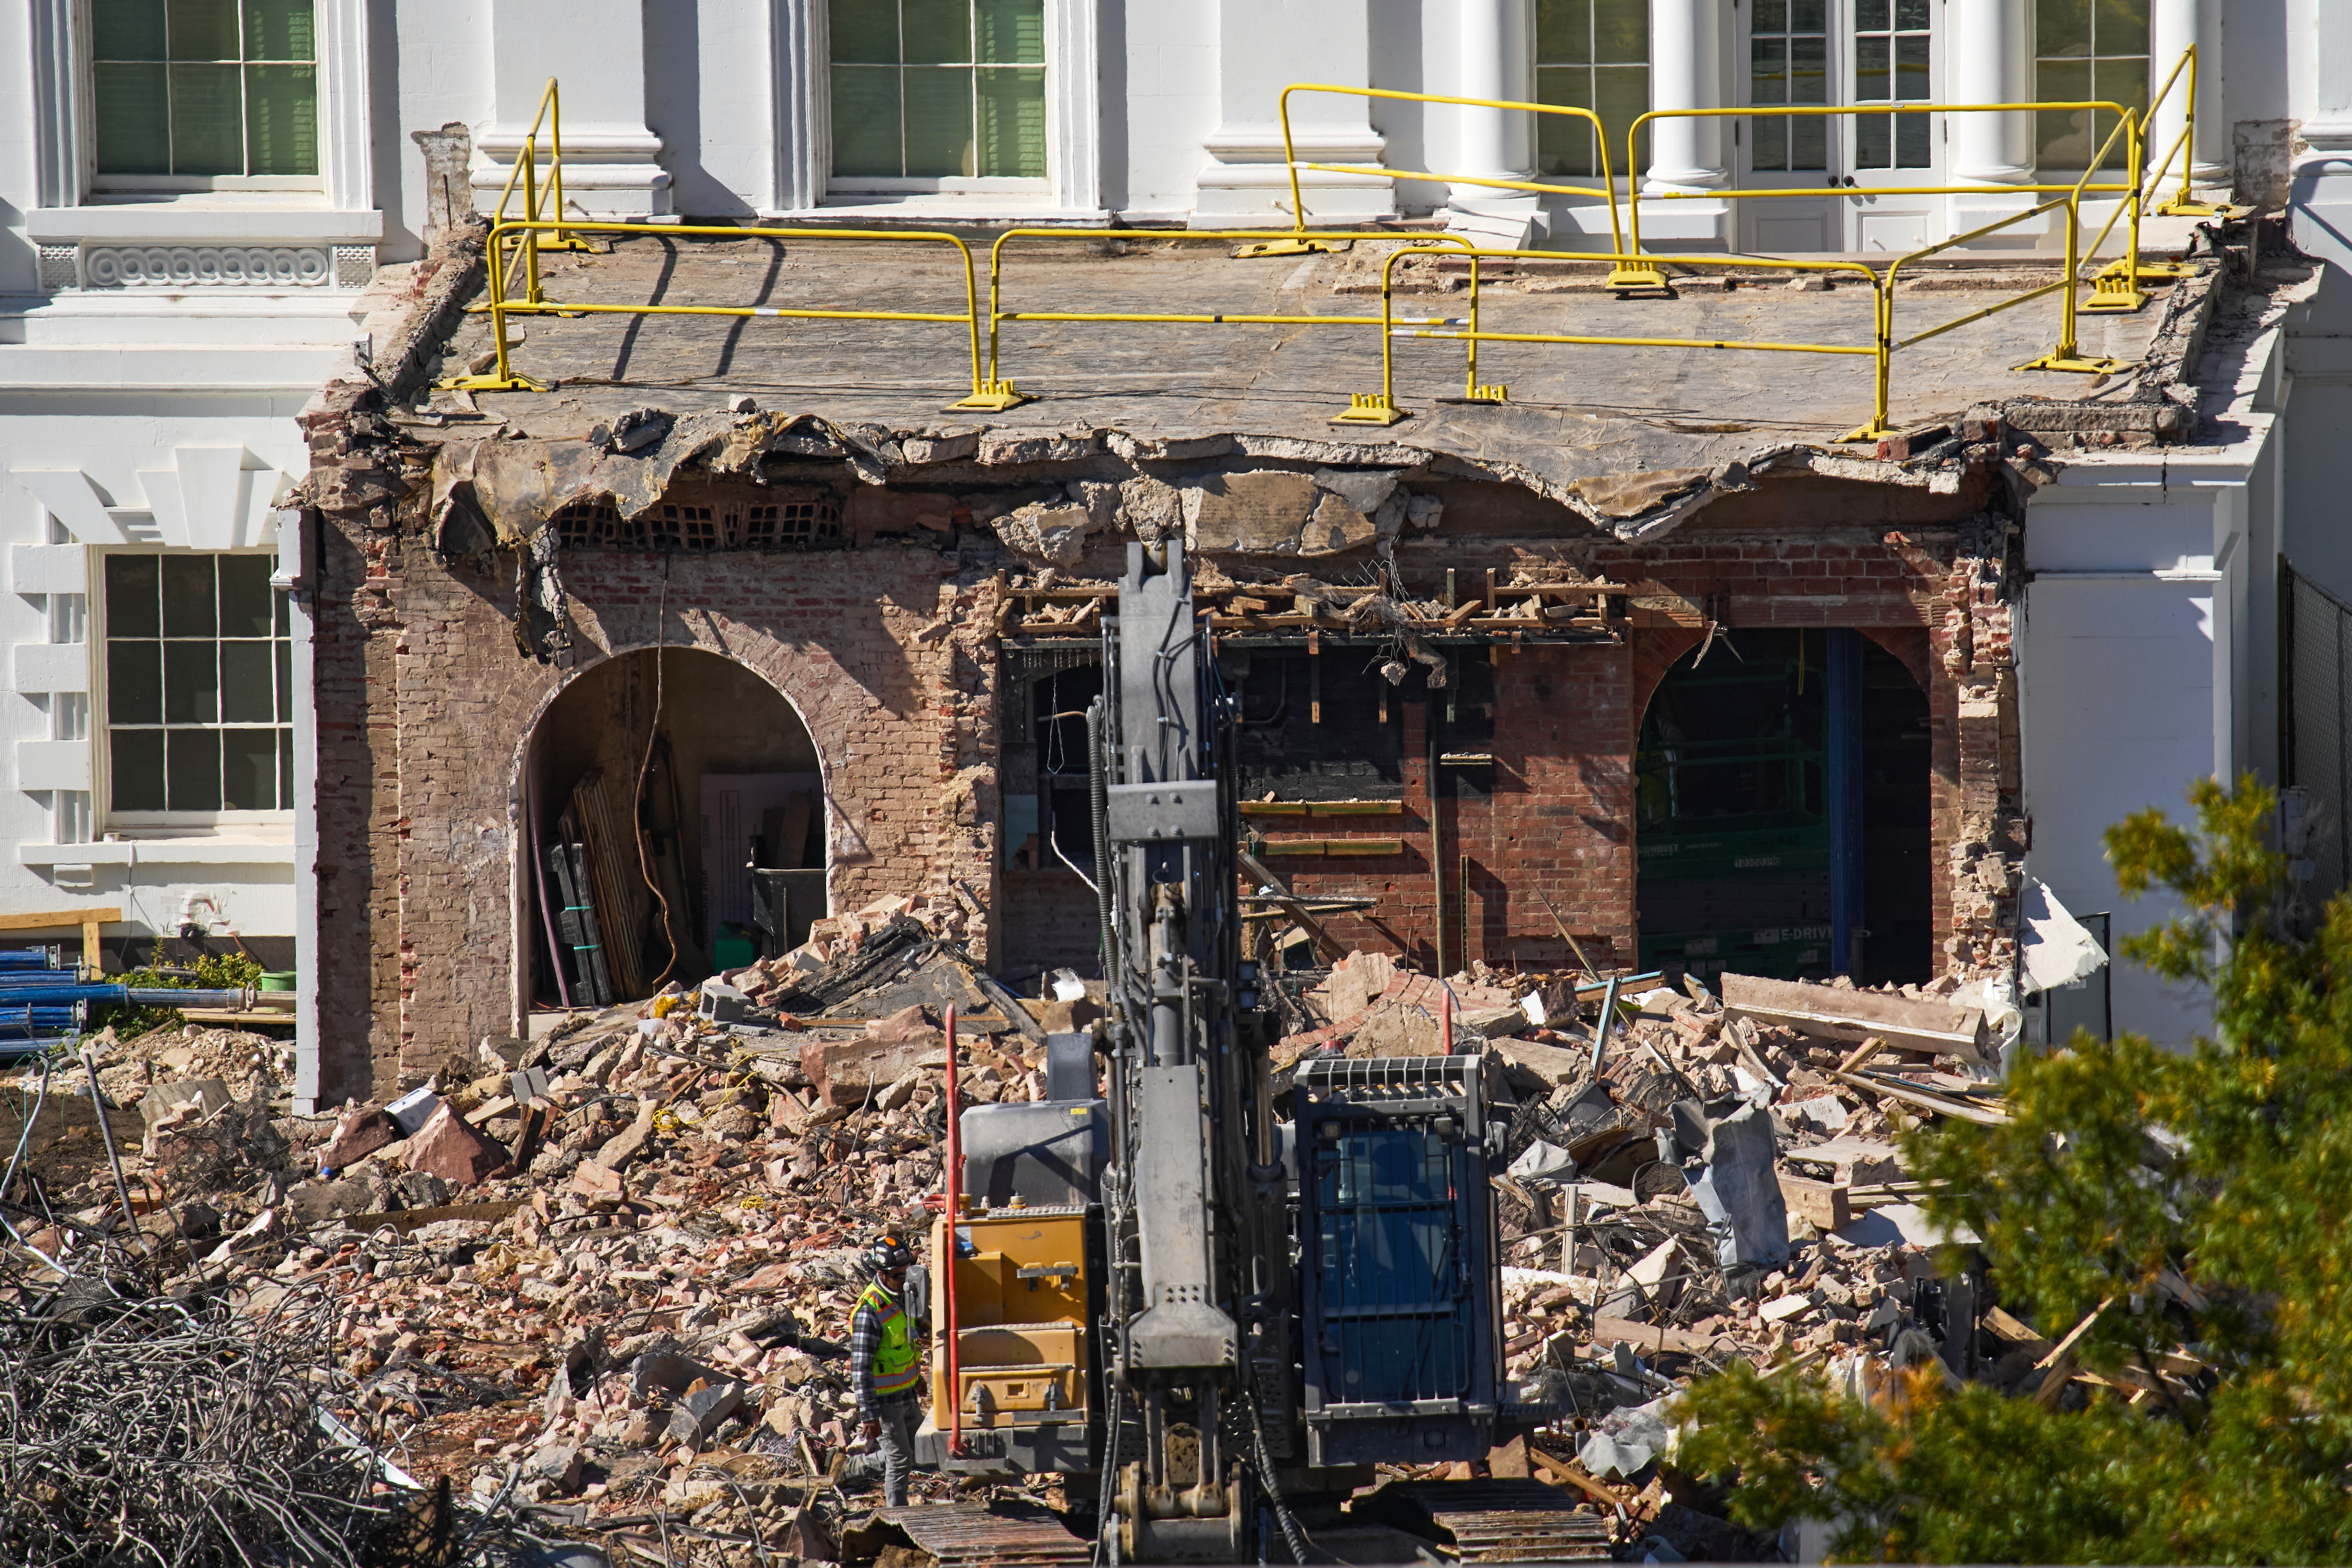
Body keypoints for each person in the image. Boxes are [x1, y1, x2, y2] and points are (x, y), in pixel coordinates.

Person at [839, 1234, 924, 1506]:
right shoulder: (870, 1310)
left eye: (907, 1272)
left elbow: (904, 1344)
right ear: (882, 1274)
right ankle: (896, 1517)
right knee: (900, 1460)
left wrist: (917, 1378)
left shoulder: (905, 1297)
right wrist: (869, 1416)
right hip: (886, 1401)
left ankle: (849, 1469)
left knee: (914, 1451)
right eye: (898, 1276)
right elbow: (861, 1369)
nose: (904, 1280)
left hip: (907, 1394)